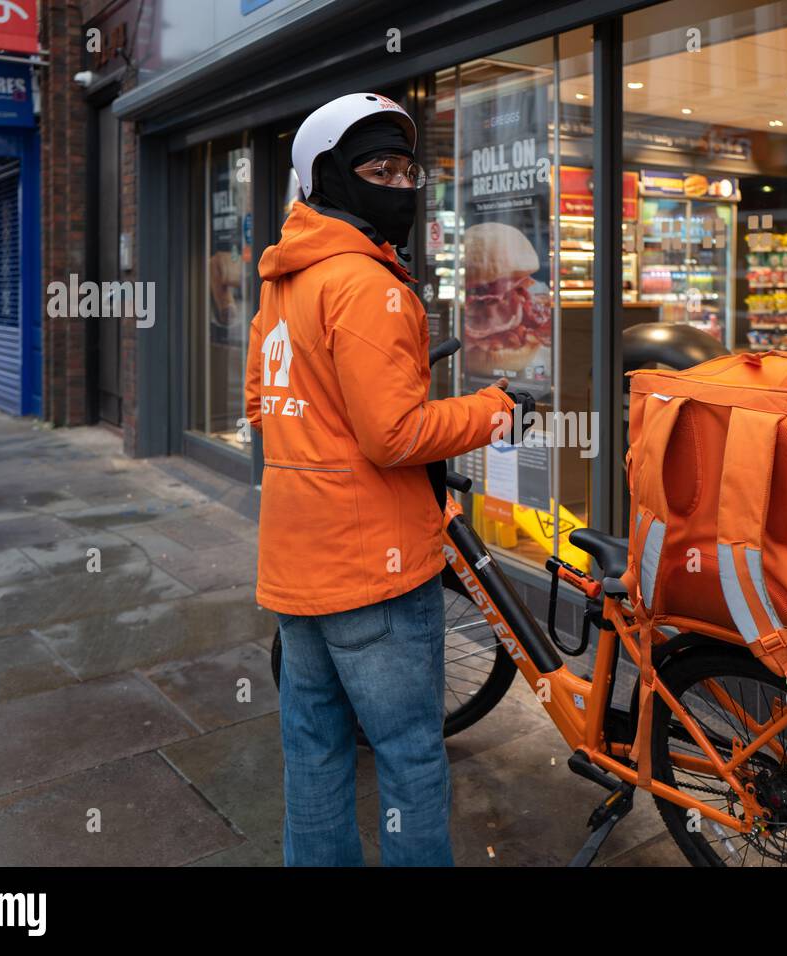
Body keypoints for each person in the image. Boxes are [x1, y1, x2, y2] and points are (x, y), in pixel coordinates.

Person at [244, 93, 528, 866]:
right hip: (377, 568)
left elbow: (260, 405)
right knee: (408, 755)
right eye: (378, 168)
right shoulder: (367, 284)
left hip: (295, 562)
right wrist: (489, 411)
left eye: (408, 169)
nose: (399, 185)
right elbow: (394, 433)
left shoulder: (281, 281)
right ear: (329, 179)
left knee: (314, 744)